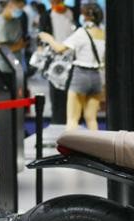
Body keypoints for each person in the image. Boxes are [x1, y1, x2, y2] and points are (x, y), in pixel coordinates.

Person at [40, 3, 105, 131]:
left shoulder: (82, 33)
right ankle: (96, 143)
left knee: (72, 119)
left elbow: (59, 48)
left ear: (86, 16)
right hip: (97, 77)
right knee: (91, 119)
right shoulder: (102, 34)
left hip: (80, 75)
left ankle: (70, 144)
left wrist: (49, 38)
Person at [48, 0, 74, 125]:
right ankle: (56, 120)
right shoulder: (47, 15)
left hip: (71, 58)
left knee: (70, 91)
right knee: (55, 90)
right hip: (55, 58)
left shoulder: (72, 13)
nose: (54, 4)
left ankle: (70, 119)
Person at [0, 0, 27, 71]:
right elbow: (0, 48)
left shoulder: (16, 21)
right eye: (19, 7)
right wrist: (17, 46)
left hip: (17, 64)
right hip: (5, 67)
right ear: (10, 5)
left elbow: (20, 41)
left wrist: (18, 45)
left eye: (22, 8)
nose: (21, 10)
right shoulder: (1, 23)